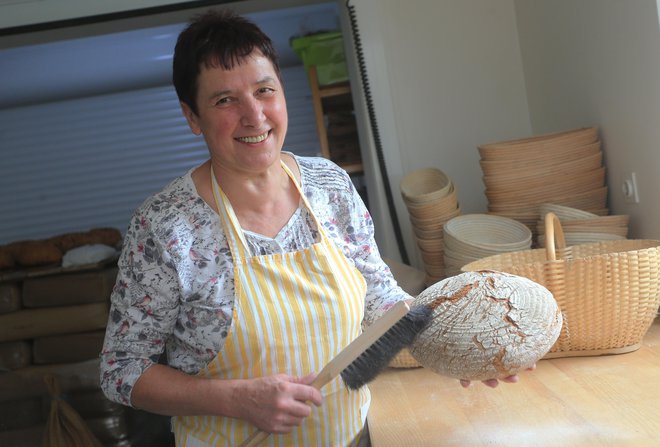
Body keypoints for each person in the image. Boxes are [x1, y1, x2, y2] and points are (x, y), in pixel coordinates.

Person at [100, 9, 524, 447]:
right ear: (193, 118)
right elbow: (122, 370)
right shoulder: (164, 227)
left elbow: (381, 298)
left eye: (265, 91)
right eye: (225, 100)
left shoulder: (329, 185)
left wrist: (467, 347)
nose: (254, 115)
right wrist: (235, 398)